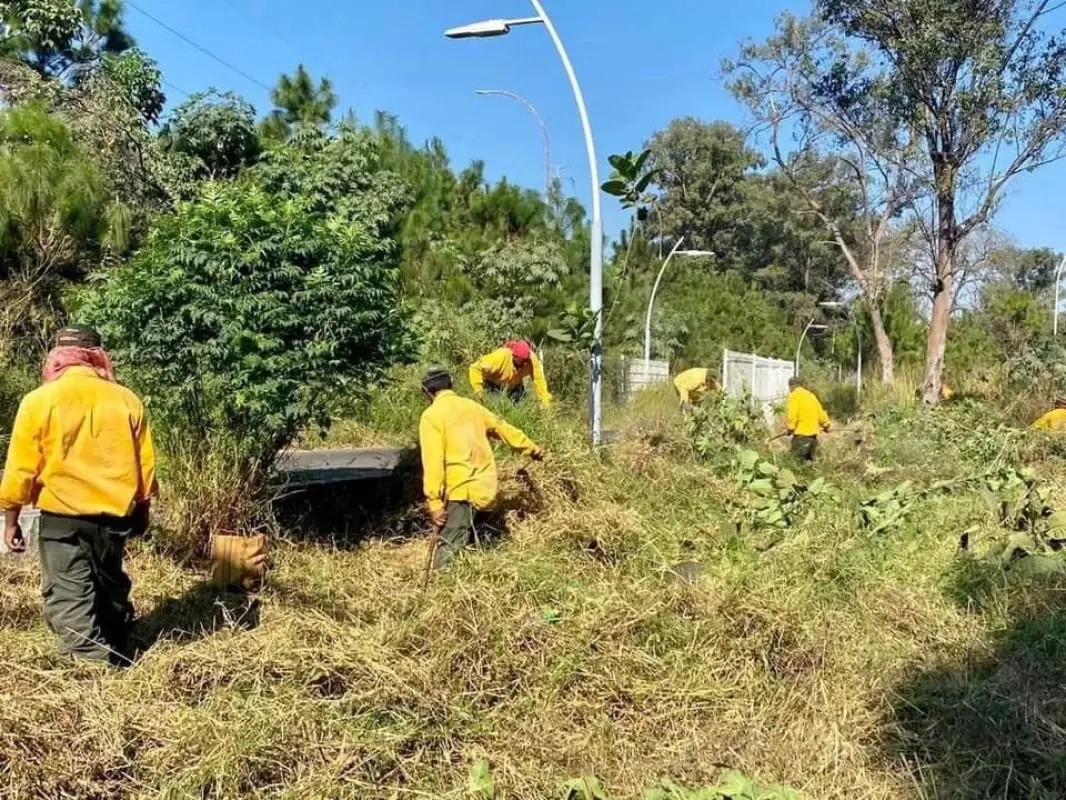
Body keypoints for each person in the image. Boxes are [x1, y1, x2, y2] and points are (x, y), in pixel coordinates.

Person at [0, 326, 157, 666]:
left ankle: (94, 666)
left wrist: (11, 520)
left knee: (69, 595)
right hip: (115, 519)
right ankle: (116, 645)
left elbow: (19, 471)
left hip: (62, 520)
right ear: (97, 356)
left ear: (57, 357)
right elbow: (146, 470)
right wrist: (141, 514)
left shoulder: (39, 401)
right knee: (107, 585)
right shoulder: (127, 400)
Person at [419, 365, 544, 569]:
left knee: (449, 551)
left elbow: (433, 462)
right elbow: (503, 429)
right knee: (479, 550)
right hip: (487, 490)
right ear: (451, 384)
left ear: (427, 391)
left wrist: (434, 502)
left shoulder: (431, 416)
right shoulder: (472, 407)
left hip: (462, 492)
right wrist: (531, 448)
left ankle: (444, 594)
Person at [469, 340, 552, 407]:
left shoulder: (531, 360)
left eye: (525, 361)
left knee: (522, 408)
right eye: (521, 360)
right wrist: (478, 389)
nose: (524, 364)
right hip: (493, 385)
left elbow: (539, 380)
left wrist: (545, 402)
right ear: (513, 356)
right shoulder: (501, 356)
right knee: (497, 409)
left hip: (514, 386)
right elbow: (475, 367)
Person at [785, 377, 831, 462]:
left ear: (791, 386)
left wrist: (790, 428)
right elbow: (820, 412)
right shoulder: (811, 395)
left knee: (795, 462)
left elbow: (792, 414)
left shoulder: (794, 395)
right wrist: (826, 425)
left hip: (801, 436)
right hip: (812, 437)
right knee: (810, 464)